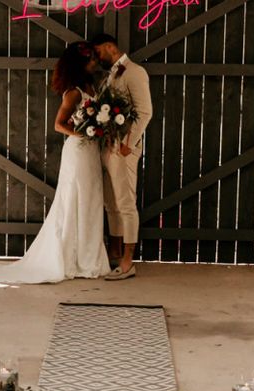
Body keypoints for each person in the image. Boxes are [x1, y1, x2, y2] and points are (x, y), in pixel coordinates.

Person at [0, 42, 110, 284]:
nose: (94, 62)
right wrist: (86, 133)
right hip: (79, 151)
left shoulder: (91, 86)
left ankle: (88, 256)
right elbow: (59, 124)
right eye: (90, 59)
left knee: (90, 199)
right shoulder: (74, 92)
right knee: (74, 200)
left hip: (90, 152)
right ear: (81, 64)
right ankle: (71, 258)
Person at [91, 33, 153, 280]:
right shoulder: (110, 76)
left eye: (98, 52)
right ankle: (115, 253)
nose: (97, 58)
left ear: (110, 47)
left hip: (124, 149)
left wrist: (128, 144)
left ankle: (128, 261)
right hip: (108, 147)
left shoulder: (135, 72)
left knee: (126, 204)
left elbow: (145, 111)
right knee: (111, 204)